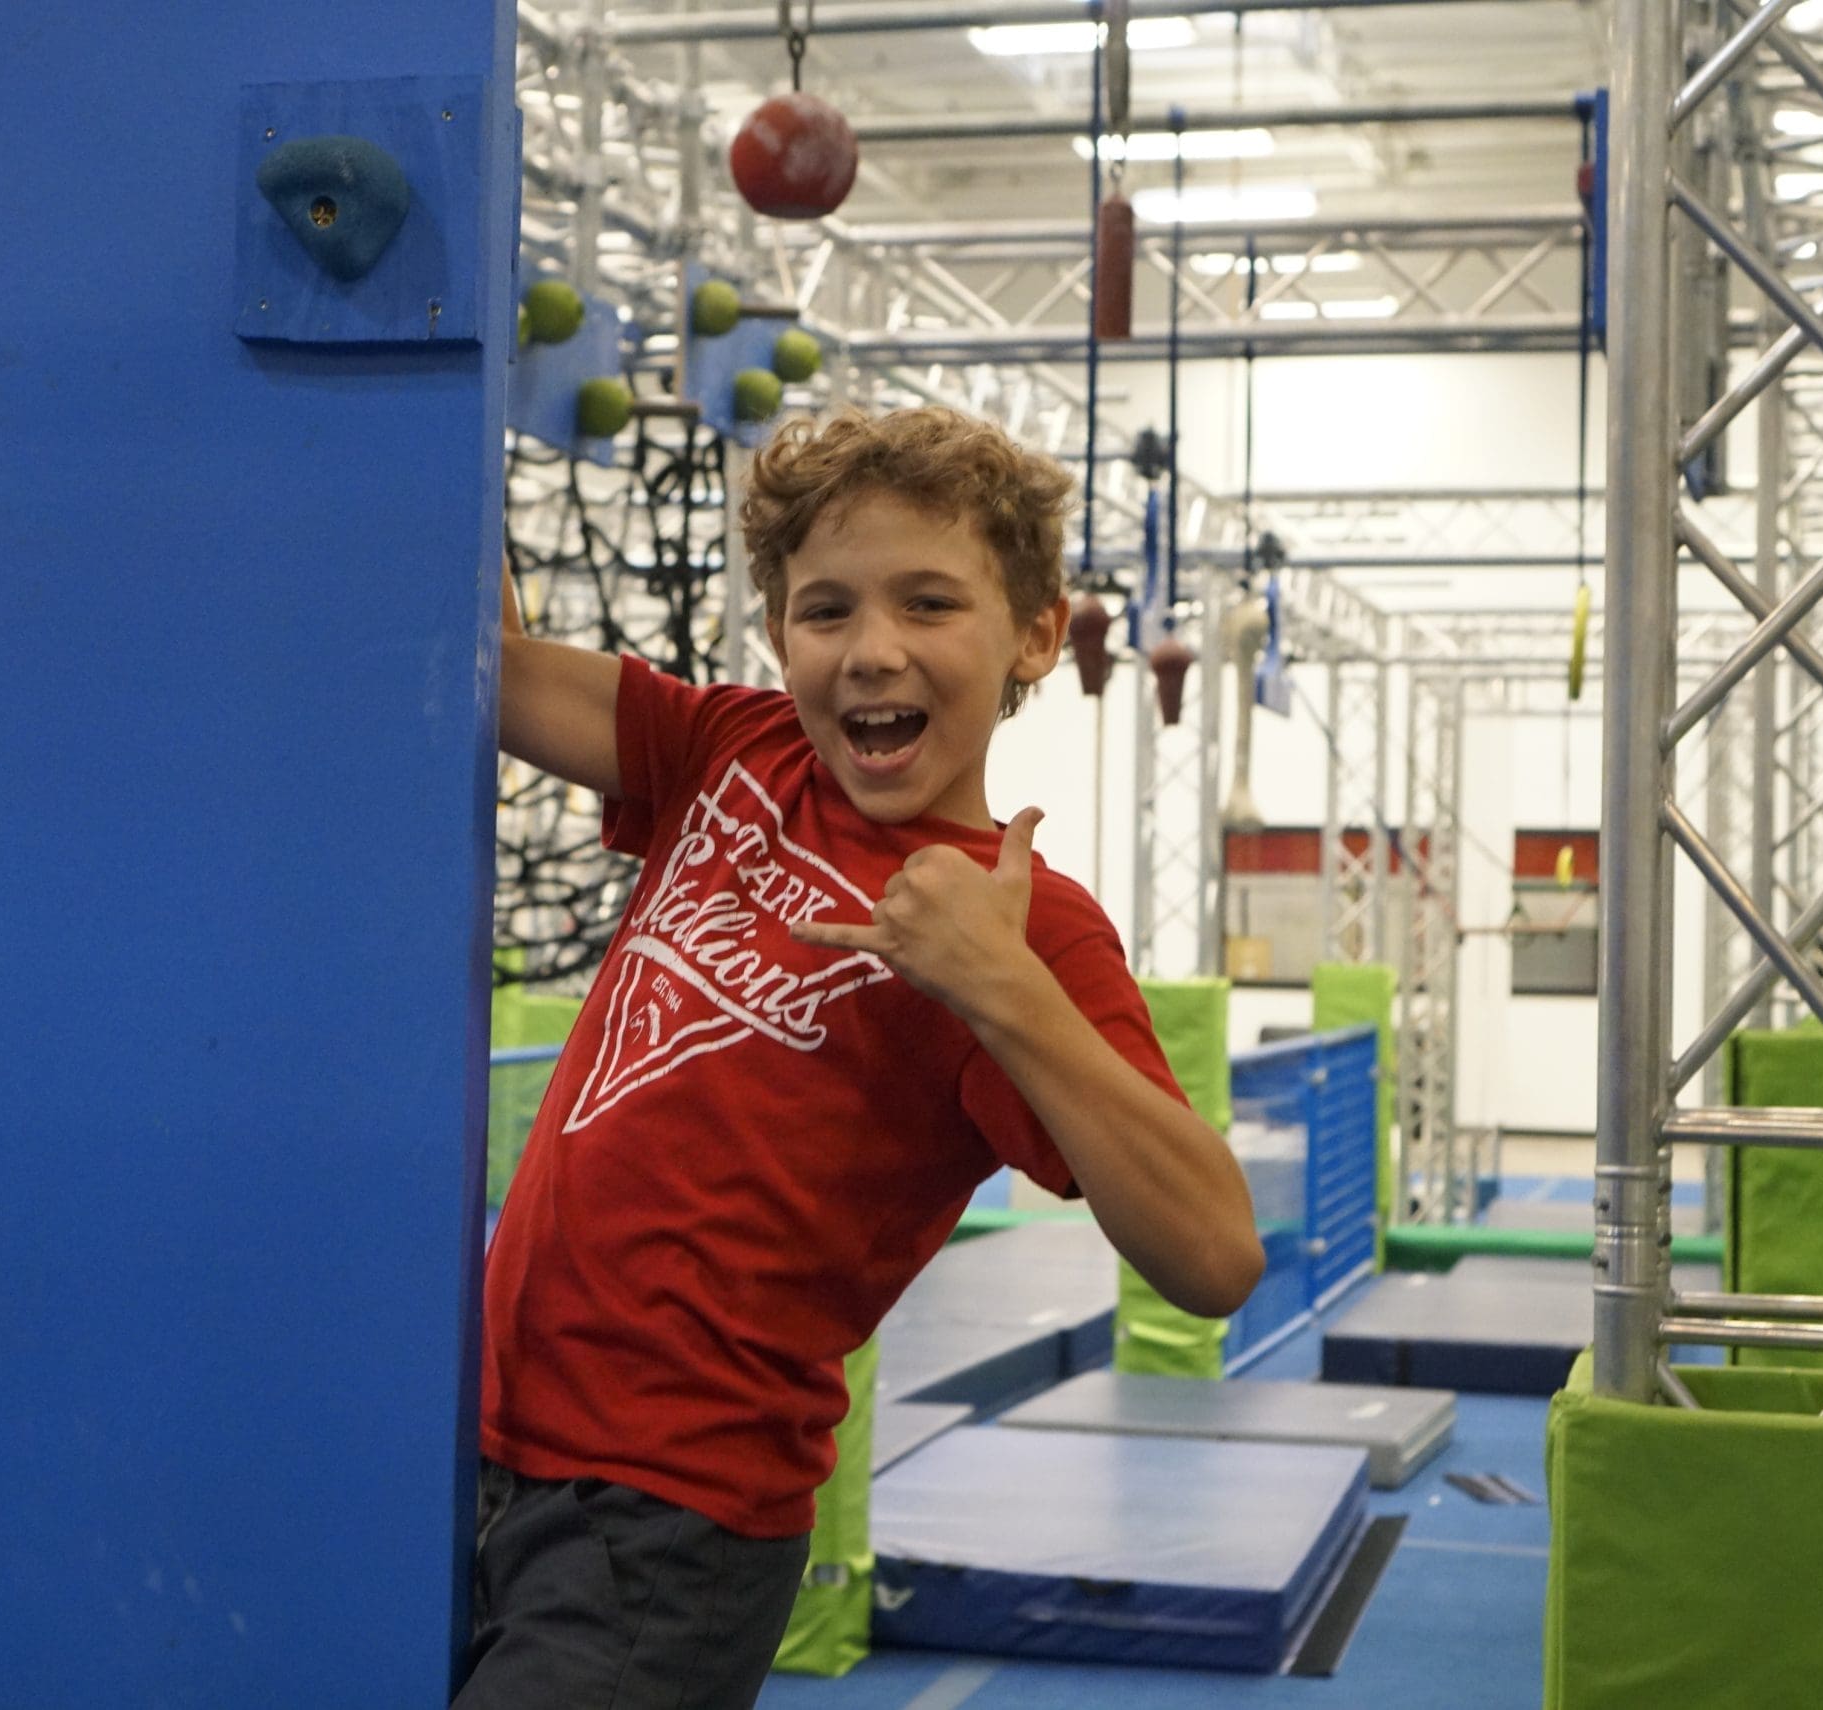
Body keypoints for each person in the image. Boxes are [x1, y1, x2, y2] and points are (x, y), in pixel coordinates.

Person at [459, 406, 1265, 1709]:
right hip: (480, 1437)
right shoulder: (734, 751)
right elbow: (488, 668)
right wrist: (458, 400)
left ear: (1035, 636)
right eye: (825, 610)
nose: (873, 649)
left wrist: (1006, 993)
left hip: (668, 1520)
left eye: (930, 603)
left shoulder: (1026, 928)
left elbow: (1216, 1254)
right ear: (780, 634)